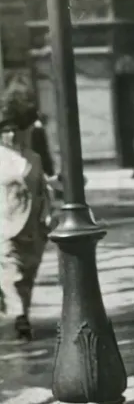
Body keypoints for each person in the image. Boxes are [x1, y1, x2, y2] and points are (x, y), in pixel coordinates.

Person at [0, 88, 53, 342]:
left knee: (27, 277)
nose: (10, 135)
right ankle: (20, 318)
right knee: (12, 274)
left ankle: (23, 312)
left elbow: (43, 189)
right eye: (4, 130)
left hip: (33, 228)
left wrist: (47, 216)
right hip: (4, 227)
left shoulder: (34, 158)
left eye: (14, 130)